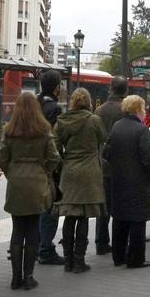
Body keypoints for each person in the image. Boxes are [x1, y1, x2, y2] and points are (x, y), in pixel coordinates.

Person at [0, 91, 60, 289]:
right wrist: (45, 172)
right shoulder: (43, 129)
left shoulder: (9, 130)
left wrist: (12, 173)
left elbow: (2, 159)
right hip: (37, 181)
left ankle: (15, 277)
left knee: (18, 229)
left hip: (16, 180)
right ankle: (29, 276)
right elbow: (54, 157)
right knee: (32, 229)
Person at [53, 88, 107, 273]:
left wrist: (61, 166)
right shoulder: (94, 120)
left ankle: (67, 260)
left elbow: (55, 149)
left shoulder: (62, 121)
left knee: (69, 216)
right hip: (90, 171)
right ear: (89, 102)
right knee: (83, 216)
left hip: (69, 170)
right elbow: (103, 138)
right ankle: (79, 260)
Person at [103, 95, 150, 267]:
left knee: (119, 218)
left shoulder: (116, 127)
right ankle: (136, 258)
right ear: (137, 110)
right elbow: (148, 158)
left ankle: (118, 257)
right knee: (137, 220)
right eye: (143, 108)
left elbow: (106, 153)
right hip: (138, 181)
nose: (144, 111)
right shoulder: (141, 131)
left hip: (118, 179)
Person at [35, 70, 68, 267]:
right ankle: (46, 249)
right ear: (57, 87)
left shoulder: (34, 103)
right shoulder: (54, 109)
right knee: (49, 207)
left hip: (32, 163)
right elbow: (56, 141)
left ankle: (36, 244)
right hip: (48, 164)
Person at [93, 77, 128, 255]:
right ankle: (120, 241)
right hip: (122, 165)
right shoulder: (125, 110)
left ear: (110, 88)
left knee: (103, 206)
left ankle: (101, 241)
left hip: (103, 164)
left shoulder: (99, 111)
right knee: (121, 206)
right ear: (125, 91)